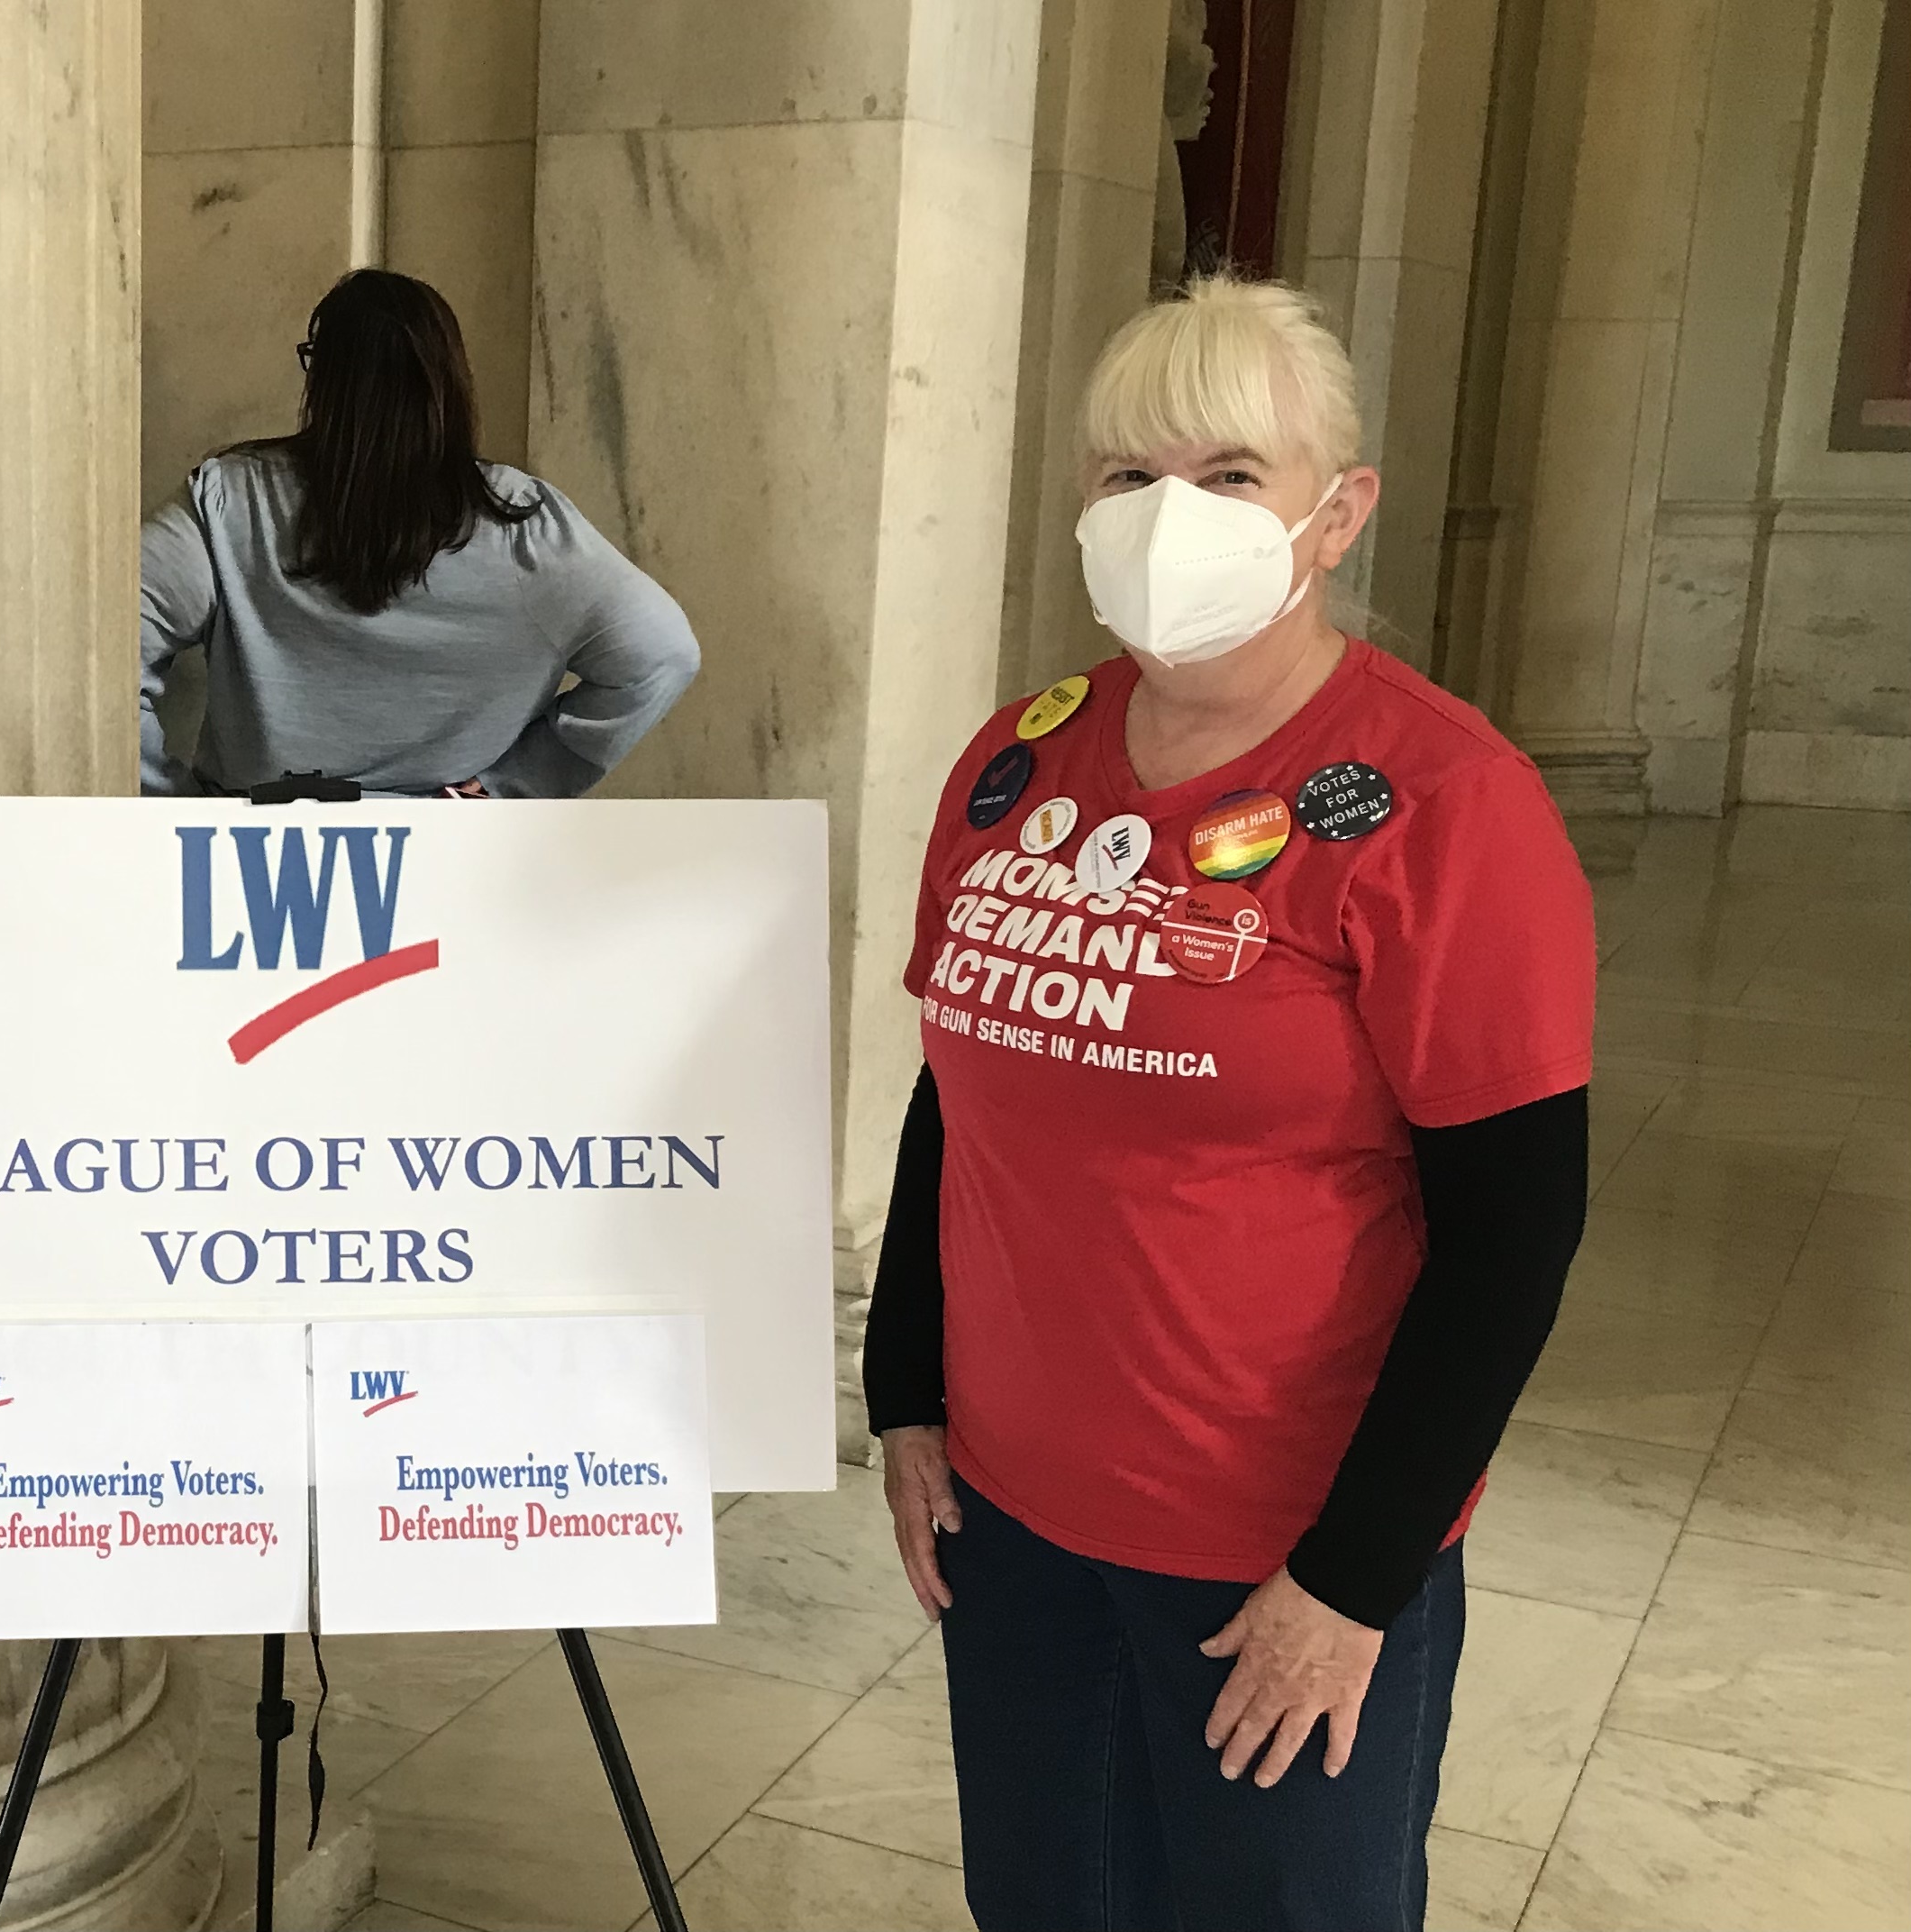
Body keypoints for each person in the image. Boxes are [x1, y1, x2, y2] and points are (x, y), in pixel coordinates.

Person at [866, 275, 1594, 1931]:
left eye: (1228, 474)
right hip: (1020, 1512)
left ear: (1338, 515)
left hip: (1277, 1539)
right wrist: (907, 1392)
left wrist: (1351, 1580)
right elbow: (954, 1100)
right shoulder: (1019, 763)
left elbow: (1513, 1233)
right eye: (1127, 476)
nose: (1166, 515)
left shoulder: (1445, 802)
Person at [141, 268, 698, 797]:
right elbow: (663, 654)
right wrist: (515, 784)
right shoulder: (525, 529)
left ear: (325, 377)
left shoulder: (230, 501)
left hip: (250, 858)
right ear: (449, 383)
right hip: (448, 863)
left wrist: (169, 804)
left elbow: (105, 649)